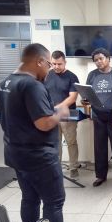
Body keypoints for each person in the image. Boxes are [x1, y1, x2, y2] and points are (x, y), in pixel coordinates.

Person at [0, 43, 89, 222]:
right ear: (38, 61)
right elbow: (44, 123)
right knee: (54, 201)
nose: (49, 69)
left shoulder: (5, 83)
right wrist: (61, 112)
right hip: (39, 157)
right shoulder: (32, 85)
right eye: (48, 63)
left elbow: (14, 117)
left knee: (30, 198)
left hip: (16, 154)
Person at [85, 48, 112, 187]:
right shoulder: (92, 75)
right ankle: (100, 176)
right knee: (99, 147)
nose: (98, 62)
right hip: (98, 117)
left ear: (108, 58)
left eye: (101, 58)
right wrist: (86, 101)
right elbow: (87, 93)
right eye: (96, 60)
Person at [44, 50, 80, 179]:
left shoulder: (72, 77)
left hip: (67, 116)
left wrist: (57, 108)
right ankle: (56, 168)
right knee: (55, 142)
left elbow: (72, 98)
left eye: (59, 64)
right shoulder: (47, 75)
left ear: (65, 62)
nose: (56, 67)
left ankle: (74, 167)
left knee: (71, 142)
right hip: (51, 116)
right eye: (54, 64)